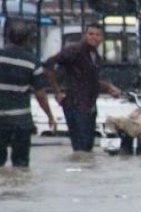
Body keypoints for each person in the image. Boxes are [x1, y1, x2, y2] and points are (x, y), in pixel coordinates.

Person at [44, 23, 122, 152]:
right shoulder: (74, 50)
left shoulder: (95, 56)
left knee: (87, 148)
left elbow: (90, 80)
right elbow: (48, 65)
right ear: (85, 35)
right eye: (90, 34)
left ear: (102, 38)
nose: (94, 37)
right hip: (75, 104)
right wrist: (57, 91)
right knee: (81, 147)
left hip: (89, 106)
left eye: (97, 35)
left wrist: (109, 87)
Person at [0, 21, 56, 167]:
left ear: (8, 37)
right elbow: (40, 94)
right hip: (21, 121)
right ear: (27, 40)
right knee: (21, 165)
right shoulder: (32, 62)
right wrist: (49, 115)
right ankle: (19, 190)